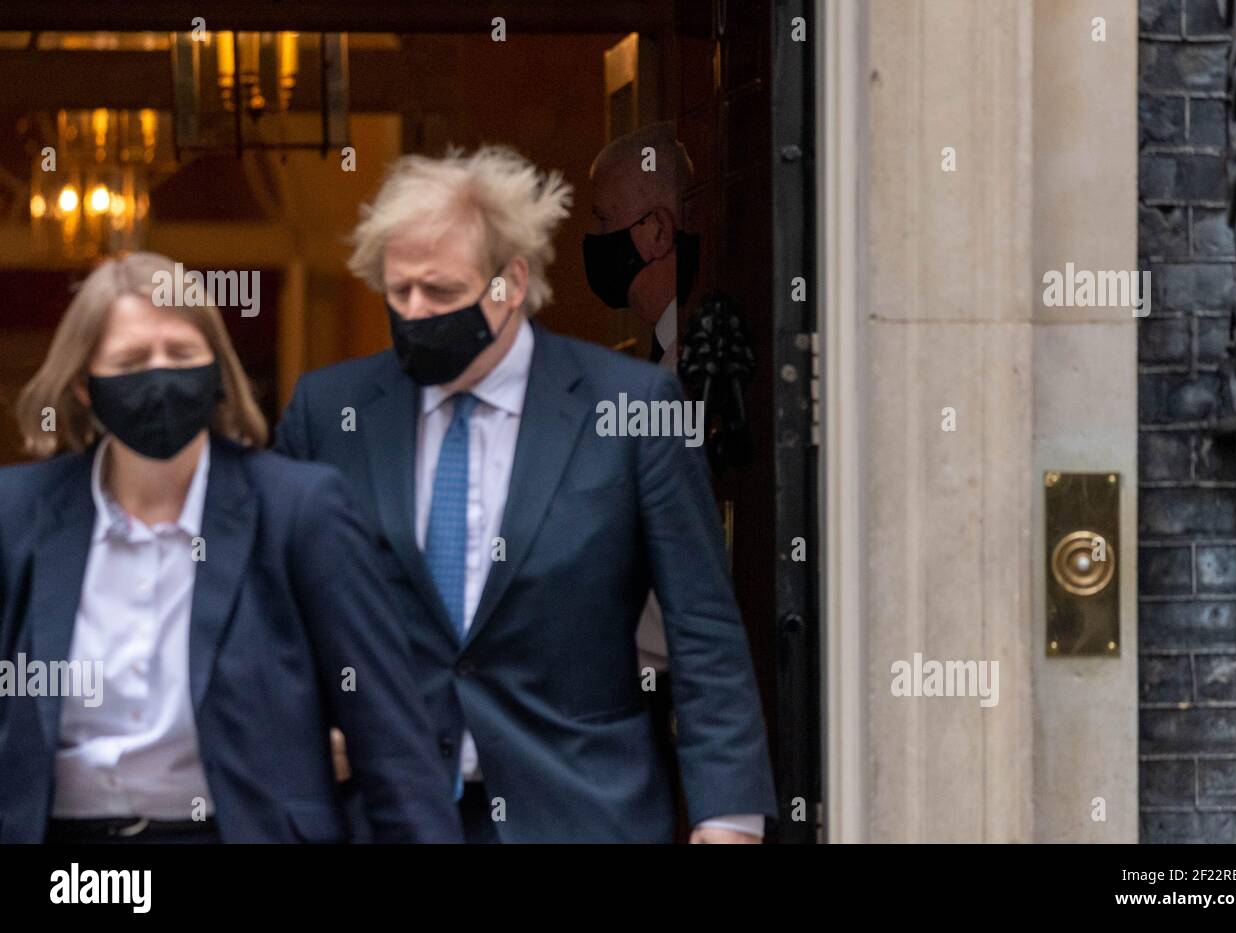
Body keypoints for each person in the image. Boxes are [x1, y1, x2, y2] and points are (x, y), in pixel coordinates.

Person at [276, 147, 776, 843]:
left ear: (511, 282)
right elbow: (270, 610)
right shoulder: (329, 413)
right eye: (399, 292)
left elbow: (704, 630)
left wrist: (729, 817)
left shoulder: (632, 407)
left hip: (582, 812)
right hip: (380, 814)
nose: (415, 312)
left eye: (442, 292)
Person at [0, 252, 461, 844]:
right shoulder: (19, 514)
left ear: (217, 369)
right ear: (86, 386)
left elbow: (390, 739)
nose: (160, 375)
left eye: (183, 355)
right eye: (132, 361)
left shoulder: (299, 510)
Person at [585, 124, 703, 829]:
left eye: (603, 222)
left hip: (663, 698)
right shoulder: (654, 359)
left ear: (654, 232)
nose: (593, 243)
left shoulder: (691, 370)